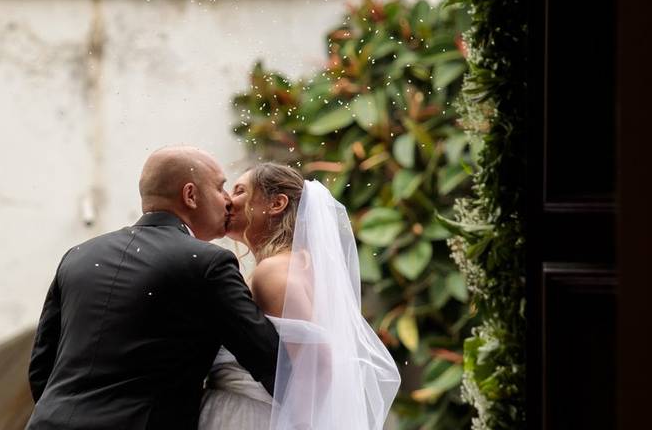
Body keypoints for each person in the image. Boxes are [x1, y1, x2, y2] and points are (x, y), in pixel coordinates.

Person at [25, 146, 279, 430]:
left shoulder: (79, 255)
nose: (228, 201)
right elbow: (267, 357)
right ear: (190, 196)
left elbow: (41, 368)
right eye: (220, 188)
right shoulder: (207, 263)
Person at [199, 163, 401, 430]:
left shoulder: (273, 272)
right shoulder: (297, 266)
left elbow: (318, 364)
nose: (228, 201)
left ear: (276, 204)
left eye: (240, 191)